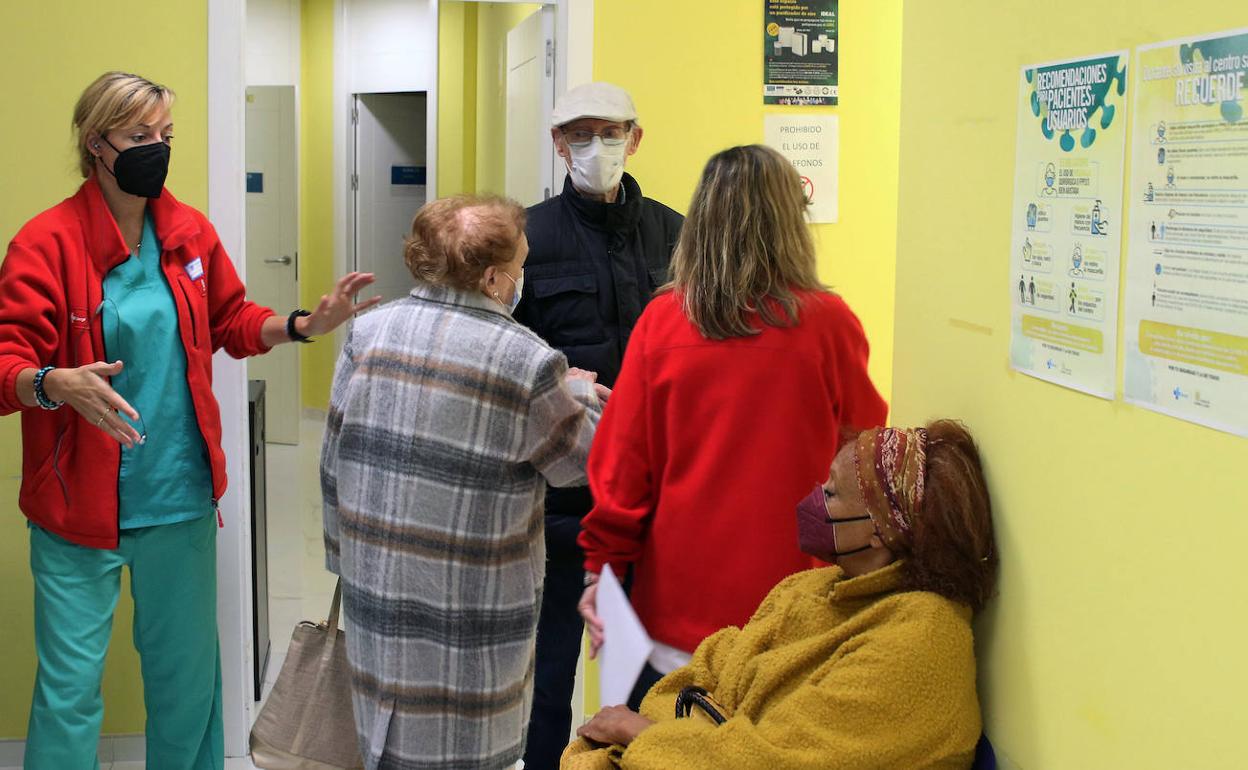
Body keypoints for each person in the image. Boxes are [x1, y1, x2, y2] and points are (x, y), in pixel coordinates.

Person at [0, 71, 378, 770]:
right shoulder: (47, 242)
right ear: (96, 143)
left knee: (186, 684)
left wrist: (301, 324)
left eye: (166, 136)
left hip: (178, 495)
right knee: (69, 691)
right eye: (141, 136)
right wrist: (53, 382)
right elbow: (6, 359)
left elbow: (231, 321)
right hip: (74, 507)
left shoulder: (187, 232)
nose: (158, 149)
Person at [576, 144, 888, 710]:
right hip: (796, 610)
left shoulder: (662, 321)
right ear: (790, 222)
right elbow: (865, 456)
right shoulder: (828, 324)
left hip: (674, 615)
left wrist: (600, 569)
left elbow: (622, 469)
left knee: (667, 749)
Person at [320, 194, 606, 770]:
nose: (522, 277)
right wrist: (575, 391)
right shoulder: (525, 359)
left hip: (377, 585)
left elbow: (333, 457)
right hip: (470, 609)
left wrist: (344, 560)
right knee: (462, 747)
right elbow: (580, 463)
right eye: (521, 266)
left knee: (384, 739)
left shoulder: (368, 331)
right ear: (495, 277)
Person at [563, 420, 999, 770]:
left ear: (881, 529)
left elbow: (773, 759)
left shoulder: (921, 644)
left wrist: (640, 734)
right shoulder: (813, 587)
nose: (813, 500)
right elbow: (708, 671)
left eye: (831, 493)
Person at [514, 81, 683, 769]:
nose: (597, 147)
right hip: (565, 496)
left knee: (651, 673)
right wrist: (560, 377)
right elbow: (506, 352)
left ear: (635, 138)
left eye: (610, 132)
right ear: (558, 145)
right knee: (551, 677)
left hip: (659, 492)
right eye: (580, 134)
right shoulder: (529, 234)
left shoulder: (675, 231)